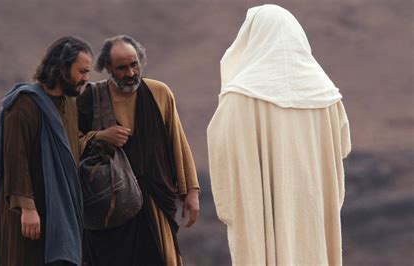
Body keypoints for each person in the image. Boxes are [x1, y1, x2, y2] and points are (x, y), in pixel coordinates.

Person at [207, 4, 351, 265]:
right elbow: (342, 148)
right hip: (312, 209)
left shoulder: (239, 97)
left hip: (264, 214)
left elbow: (221, 149)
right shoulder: (328, 96)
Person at [76, 35, 200, 266]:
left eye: (134, 64)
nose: (131, 73)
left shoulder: (159, 92)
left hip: (154, 201)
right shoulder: (91, 98)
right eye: (122, 68)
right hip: (110, 207)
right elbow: (69, 143)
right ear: (108, 68)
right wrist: (100, 136)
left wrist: (190, 191)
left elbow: (177, 142)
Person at [0, 36, 93, 266]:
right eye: (82, 71)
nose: (86, 78)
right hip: (29, 213)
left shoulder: (70, 104)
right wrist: (27, 208)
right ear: (63, 68)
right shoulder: (23, 105)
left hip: (60, 210)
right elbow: (15, 158)